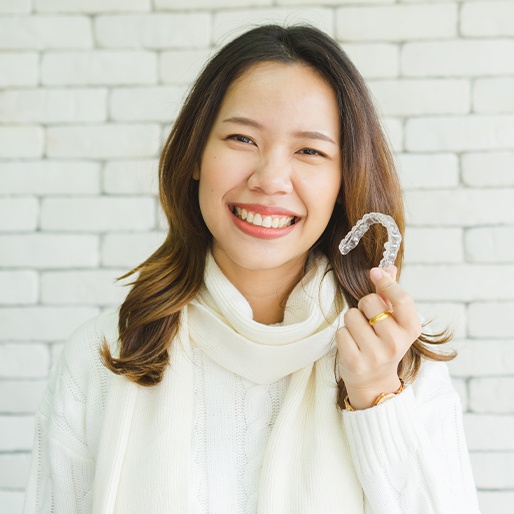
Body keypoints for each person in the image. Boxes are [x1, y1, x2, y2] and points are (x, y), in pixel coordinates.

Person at [24, 24, 480, 513]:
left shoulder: (401, 363)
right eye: (242, 138)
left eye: (310, 150)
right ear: (196, 154)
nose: (270, 180)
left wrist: (376, 399)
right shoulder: (102, 358)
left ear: (344, 180)